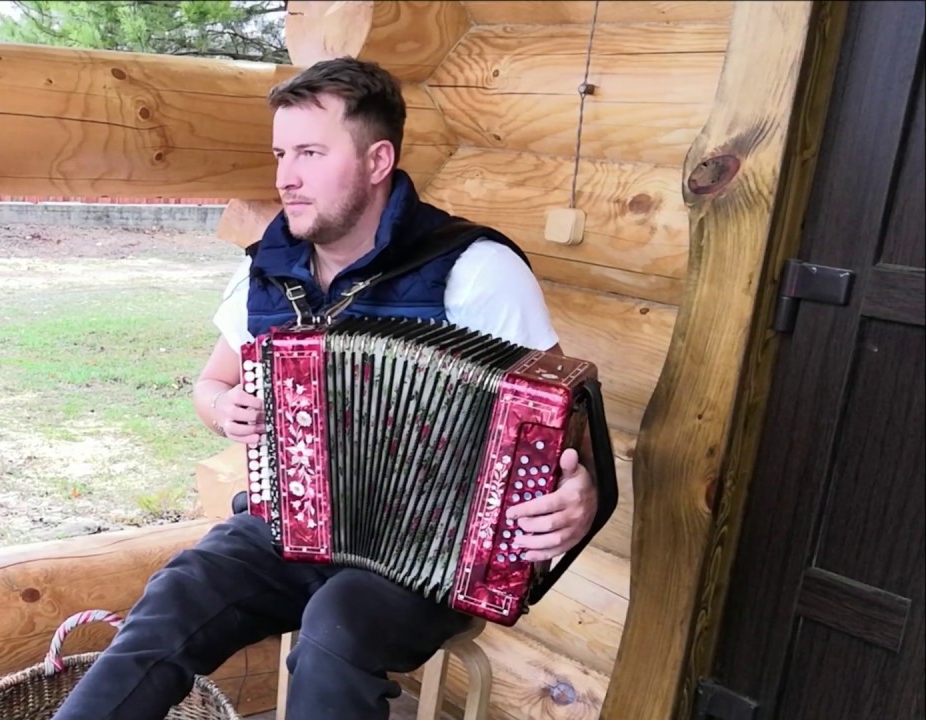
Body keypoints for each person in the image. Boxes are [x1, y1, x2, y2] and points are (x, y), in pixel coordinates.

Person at [52, 56, 600, 720]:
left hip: (433, 556)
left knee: (336, 628)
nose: (286, 176)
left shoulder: (475, 269)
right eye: (281, 153)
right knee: (179, 591)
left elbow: (560, 429)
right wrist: (224, 408)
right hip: (292, 524)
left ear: (377, 160)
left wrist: (578, 493)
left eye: (310, 153)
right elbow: (211, 384)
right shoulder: (267, 269)